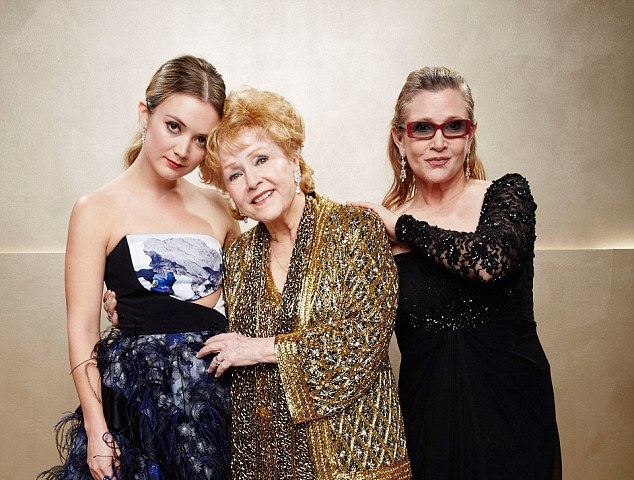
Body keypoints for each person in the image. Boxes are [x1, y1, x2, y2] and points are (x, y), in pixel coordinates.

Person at [351, 66, 561, 479]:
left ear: (470, 134)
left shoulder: (506, 195)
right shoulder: (378, 232)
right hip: (427, 415)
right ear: (400, 137)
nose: (439, 142)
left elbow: (488, 262)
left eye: (453, 126)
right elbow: (353, 330)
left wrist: (404, 228)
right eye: (422, 128)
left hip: (514, 410)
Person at [195, 88, 411, 479]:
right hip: (264, 462)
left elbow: (362, 342)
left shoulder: (355, 230)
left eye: (261, 159)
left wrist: (261, 349)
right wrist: (131, 305)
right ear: (229, 193)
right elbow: (205, 322)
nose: (253, 180)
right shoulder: (238, 256)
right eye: (235, 174)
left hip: (352, 459)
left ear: (294, 160)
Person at [40, 55, 239, 480]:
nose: (183, 150)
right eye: (173, 126)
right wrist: (96, 429)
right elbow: (82, 332)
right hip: (136, 409)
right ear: (144, 113)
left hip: (216, 405)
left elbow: (251, 299)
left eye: (200, 139)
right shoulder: (95, 210)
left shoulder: (219, 207)